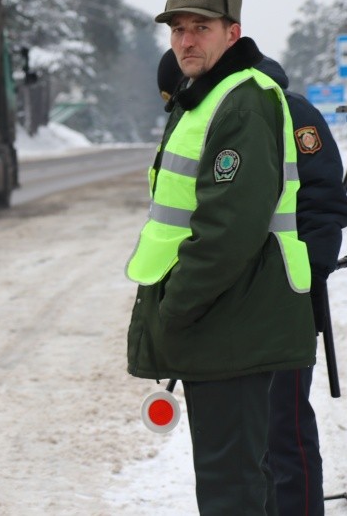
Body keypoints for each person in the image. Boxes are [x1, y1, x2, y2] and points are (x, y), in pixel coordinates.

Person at [126, 0, 318, 514]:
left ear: (232, 33)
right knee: (230, 477)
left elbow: (228, 229)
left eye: (201, 28)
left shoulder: (244, 101)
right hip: (222, 318)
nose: (187, 42)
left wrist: (176, 307)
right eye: (179, 30)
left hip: (233, 318)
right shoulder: (201, 100)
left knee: (231, 484)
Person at [157, 48, 347, 514]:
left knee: (283, 428)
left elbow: (323, 205)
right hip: (228, 310)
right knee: (244, 444)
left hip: (283, 304)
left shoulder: (287, 108)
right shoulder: (205, 115)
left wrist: (304, 280)